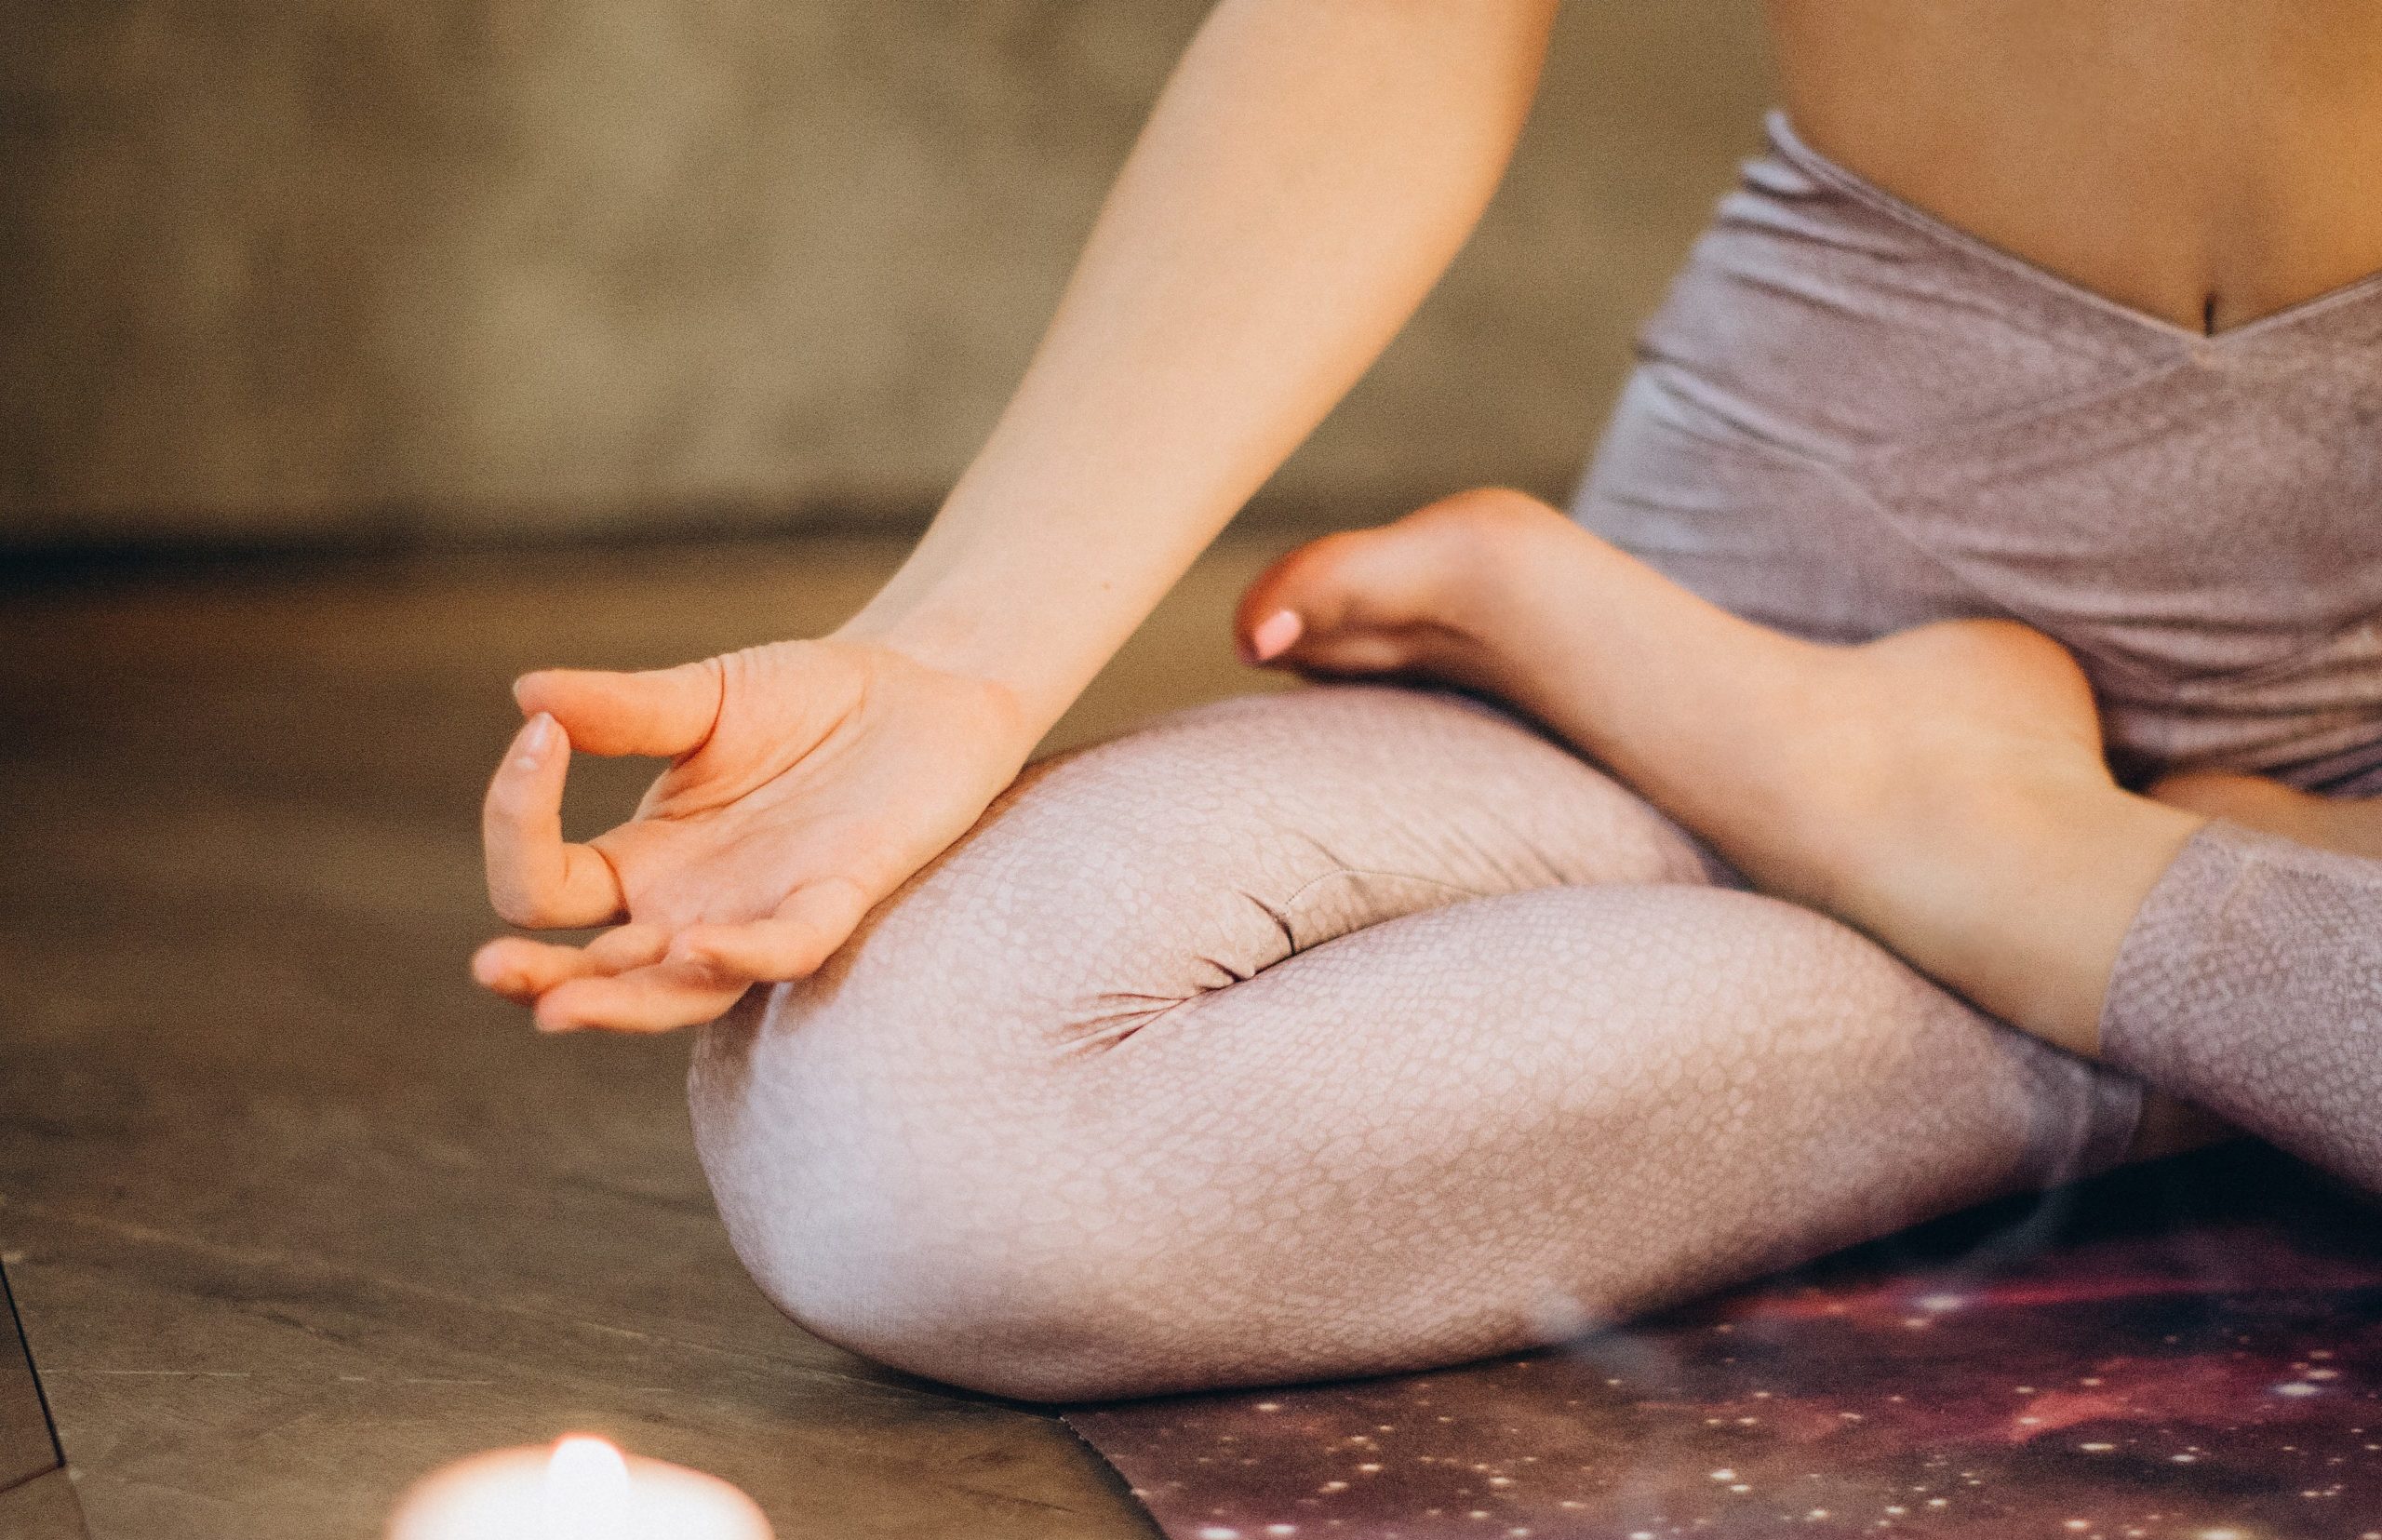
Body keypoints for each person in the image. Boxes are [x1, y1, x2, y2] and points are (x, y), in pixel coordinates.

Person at [471, 1, 2382, 1399]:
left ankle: (2007, 861)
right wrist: (962, 655)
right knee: (888, 1137)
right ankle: (2189, 943)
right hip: (1780, 598)